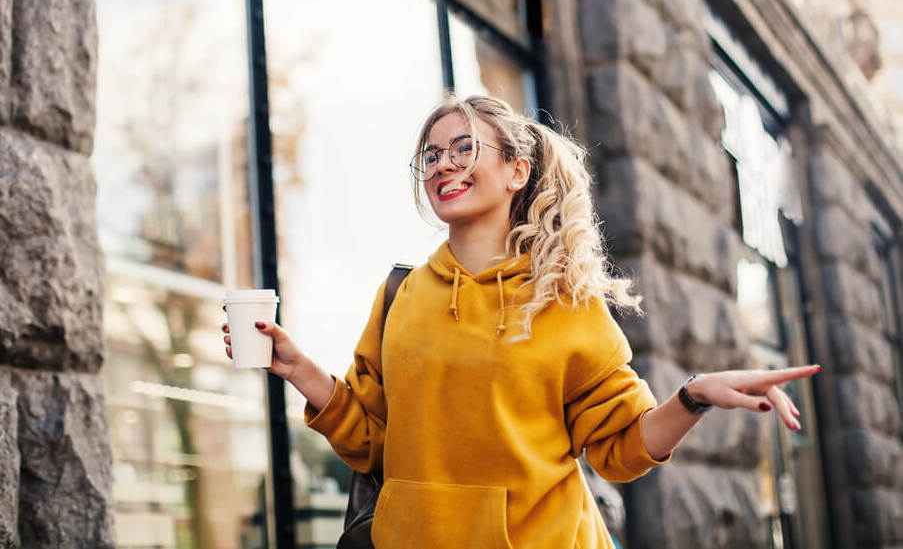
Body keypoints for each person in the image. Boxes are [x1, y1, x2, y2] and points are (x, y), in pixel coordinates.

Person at [222, 94, 819, 548]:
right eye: (430, 155)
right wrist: (302, 371)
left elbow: (619, 449)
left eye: (464, 148)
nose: (443, 165)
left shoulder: (563, 299)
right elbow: (373, 442)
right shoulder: (401, 295)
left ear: (516, 169)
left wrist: (692, 397)